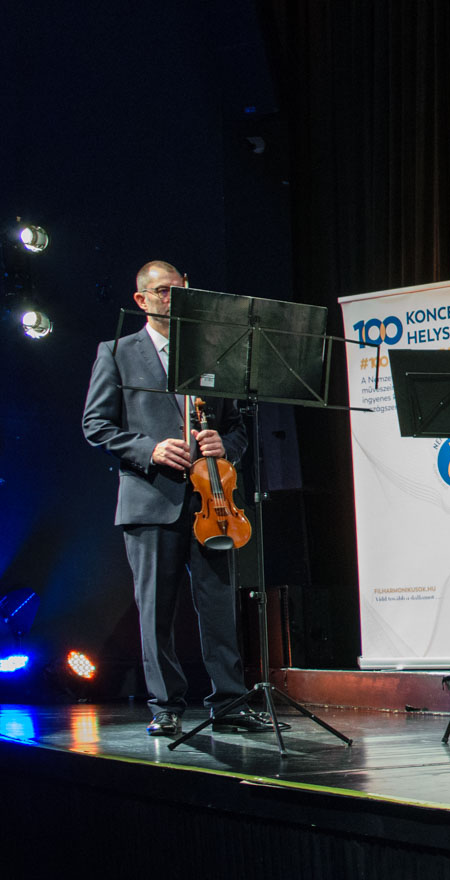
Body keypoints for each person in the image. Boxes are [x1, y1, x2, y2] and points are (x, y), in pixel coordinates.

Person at [82, 261, 273, 736]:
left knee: (219, 607)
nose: (174, 299)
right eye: (164, 292)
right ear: (141, 300)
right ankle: (166, 705)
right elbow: (96, 424)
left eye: (181, 290)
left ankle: (229, 702)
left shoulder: (214, 351)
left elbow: (237, 427)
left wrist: (225, 444)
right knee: (156, 611)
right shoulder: (116, 352)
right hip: (151, 499)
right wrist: (149, 449)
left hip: (213, 501)